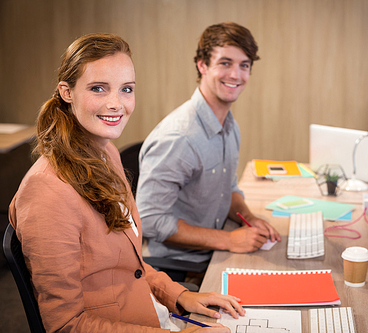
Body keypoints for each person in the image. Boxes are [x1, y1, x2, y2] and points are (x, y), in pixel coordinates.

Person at [8, 32, 244, 332]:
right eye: (98, 88)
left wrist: (181, 295)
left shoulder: (106, 153)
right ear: (66, 92)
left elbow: (129, 264)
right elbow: (65, 324)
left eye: (126, 89)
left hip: (150, 309)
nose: (116, 103)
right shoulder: (47, 191)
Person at [136, 22, 281, 281]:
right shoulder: (179, 137)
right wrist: (229, 239)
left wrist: (247, 218)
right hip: (179, 267)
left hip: (213, 251)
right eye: (225, 63)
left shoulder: (228, 125)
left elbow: (228, 189)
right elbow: (150, 220)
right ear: (202, 65)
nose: (236, 74)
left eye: (244, 65)